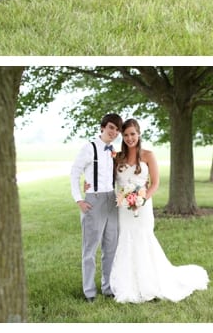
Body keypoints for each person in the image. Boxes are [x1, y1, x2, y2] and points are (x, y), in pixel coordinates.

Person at [109, 118, 209, 303]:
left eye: (133, 134)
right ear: (122, 137)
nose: (130, 138)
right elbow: (105, 176)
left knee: (143, 240)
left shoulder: (148, 155)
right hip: (123, 210)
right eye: (126, 135)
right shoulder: (117, 157)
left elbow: (155, 184)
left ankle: (148, 283)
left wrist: (141, 199)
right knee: (125, 240)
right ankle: (127, 284)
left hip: (142, 207)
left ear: (139, 134)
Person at [69, 113, 123, 302]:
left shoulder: (113, 151)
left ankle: (108, 288)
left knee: (111, 248)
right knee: (90, 250)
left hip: (111, 201)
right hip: (94, 200)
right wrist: (78, 199)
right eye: (111, 127)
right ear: (102, 127)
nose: (113, 132)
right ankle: (89, 291)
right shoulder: (89, 147)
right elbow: (74, 173)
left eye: (117, 129)